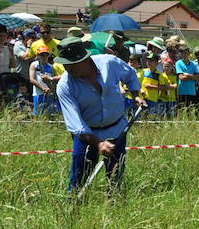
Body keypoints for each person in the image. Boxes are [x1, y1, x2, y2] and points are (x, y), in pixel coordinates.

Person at [54, 37, 145, 193]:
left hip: (117, 131)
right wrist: (99, 144)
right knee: (79, 178)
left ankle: (114, 205)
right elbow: (77, 126)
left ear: (85, 59)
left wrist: (136, 95)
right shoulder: (65, 86)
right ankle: (73, 205)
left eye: (71, 65)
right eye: (65, 65)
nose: (68, 69)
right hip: (87, 136)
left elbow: (130, 75)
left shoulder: (110, 63)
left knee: (116, 176)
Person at [29, 45, 59, 115]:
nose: (44, 57)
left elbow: (52, 80)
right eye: (42, 55)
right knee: (38, 114)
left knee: (50, 113)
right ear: (38, 55)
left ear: (48, 55)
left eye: (46, 55)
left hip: (49, 94)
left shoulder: (50, 66)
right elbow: (32, 79)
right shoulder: (34, 64)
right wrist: (43, 88)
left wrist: (50, 89)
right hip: (38, 93)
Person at [174, 46, 199, 111]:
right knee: (182, 110)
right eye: (182, 53)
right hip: (182, 91)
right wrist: (192, 77)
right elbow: (181, 78)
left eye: (185, 53)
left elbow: (198, 78)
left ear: (189, 53)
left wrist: (187, 75)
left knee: (191, 111)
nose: (184, 55)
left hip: (192, 91)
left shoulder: (193, 64)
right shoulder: (178, 63)